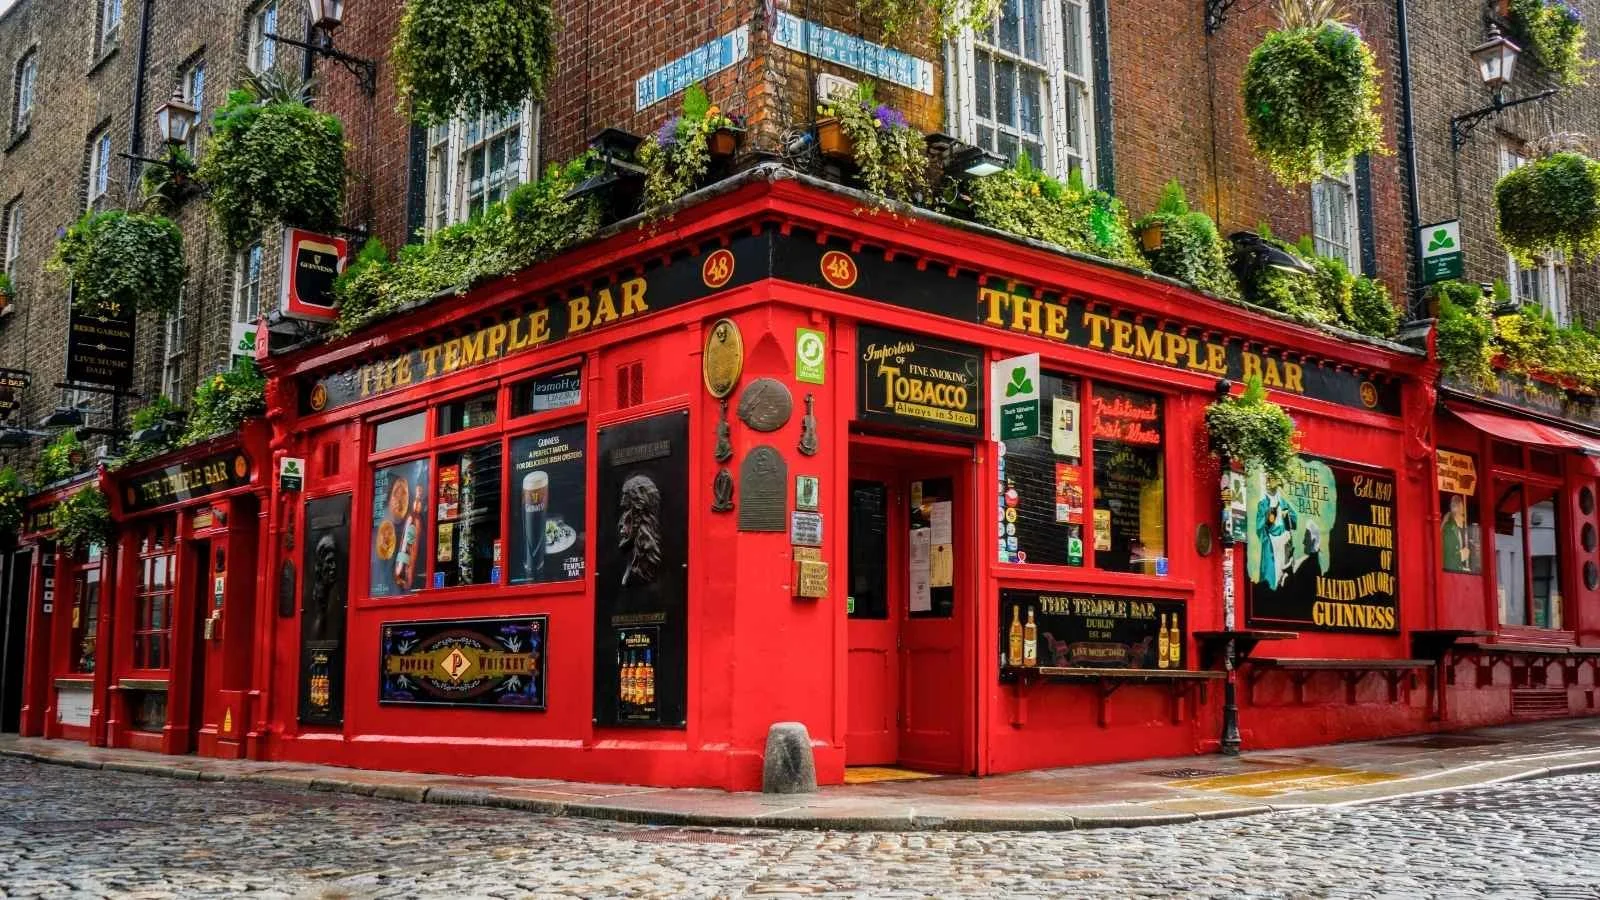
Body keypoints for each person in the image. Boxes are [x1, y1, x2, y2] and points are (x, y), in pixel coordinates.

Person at [1255, 472, 1297, 589]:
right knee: (1271, 574)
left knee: (1285, 572)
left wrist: (1287, 514)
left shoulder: (1283, 502)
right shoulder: (1263, 504)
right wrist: (1271, 517)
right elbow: (1260, 527)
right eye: (1267, 479)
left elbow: (1294, 520)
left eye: (1271, 479)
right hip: (1271, 543)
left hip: (1284, 541)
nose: (1269, 482)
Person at [1442, 493, 1475, 573]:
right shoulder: (1449, 529)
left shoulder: (1464, 529)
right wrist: (1461, 556)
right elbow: (1447, 561)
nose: (1464, 518)